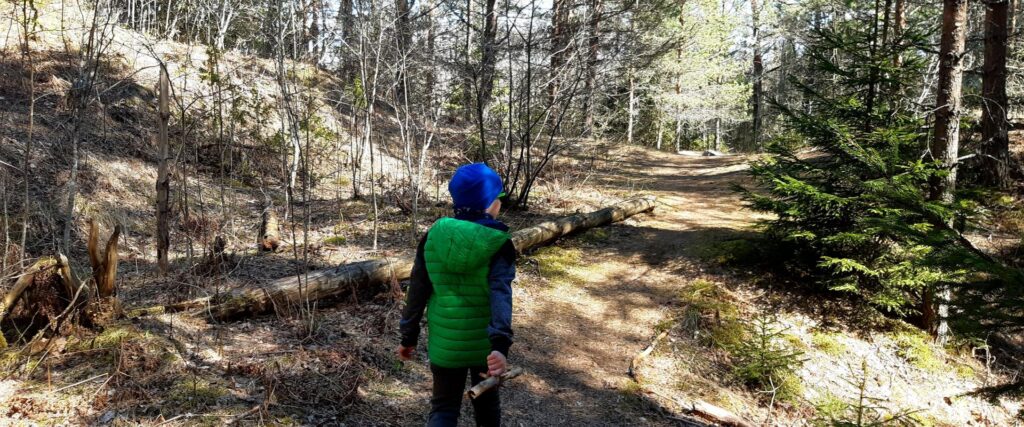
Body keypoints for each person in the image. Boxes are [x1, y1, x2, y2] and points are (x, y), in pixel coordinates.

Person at [397, 163, 517, 427]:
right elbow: (501, 295)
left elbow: (417, 290)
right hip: (484, 347)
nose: (500, 205)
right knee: (486, 405)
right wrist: (500, 346)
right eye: (498, 199)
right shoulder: (499, 242)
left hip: (445, 344)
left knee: (443, 407)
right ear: (488, 204)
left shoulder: (432, 237)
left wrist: (408, 336)